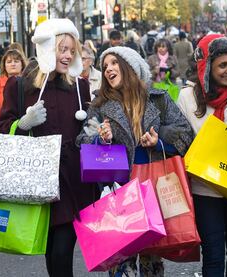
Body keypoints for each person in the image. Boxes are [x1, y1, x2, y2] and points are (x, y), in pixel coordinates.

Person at [76, 46, 194, 276]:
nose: (108, 68)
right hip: (119, 194)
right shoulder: (100, 107)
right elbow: (82, 141)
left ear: (129, 67)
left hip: (153, 189)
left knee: (152, 262)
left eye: (113, 63)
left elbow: (185, 133)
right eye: (105, 66)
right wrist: (101, 139)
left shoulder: (158, 99)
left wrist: (160, 140)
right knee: (122, 265)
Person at [0, 18, 99, 276]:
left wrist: (95, 131)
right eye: (62, 49)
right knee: (51, 250)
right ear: (47, 49)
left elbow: (86, 129)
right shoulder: (21, 86)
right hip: (37, 178)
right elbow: (2, 128)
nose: (67, 56)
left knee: (63, 251)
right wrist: (23, 123)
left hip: (73, 182)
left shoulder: (80, 86)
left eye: (72, 51)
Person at [176, 34, 227, 277]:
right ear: (205, 66)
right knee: (212, 255)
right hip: (205, 188)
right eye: (223, 65)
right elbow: (183, 140)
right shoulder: (187, 97)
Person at [0, 49, 27, 133]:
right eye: (9, 62)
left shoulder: (29, 82)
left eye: (16, 61)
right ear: (4, 66)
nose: (13, 64)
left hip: (26, 131)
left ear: (22, 64)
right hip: (3, 131)